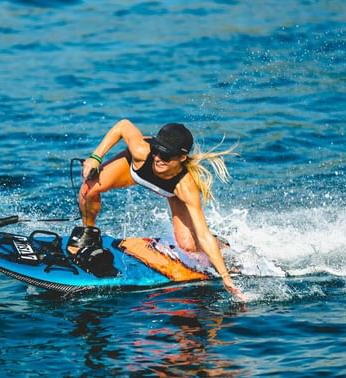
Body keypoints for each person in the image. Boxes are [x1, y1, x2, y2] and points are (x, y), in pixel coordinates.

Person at [68, 119, 243, 299]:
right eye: (157, 150)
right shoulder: (142, 151)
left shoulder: (185, 187)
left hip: (169, 191)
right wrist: (95, 158)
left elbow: (203, 234)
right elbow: (123, 125)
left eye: (166, 155)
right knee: (88, 189)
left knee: (188, 245)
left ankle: (221, 245)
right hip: (133, 169)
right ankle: (88, 232)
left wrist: (225, 277)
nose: (158, 158)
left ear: (182, 158)